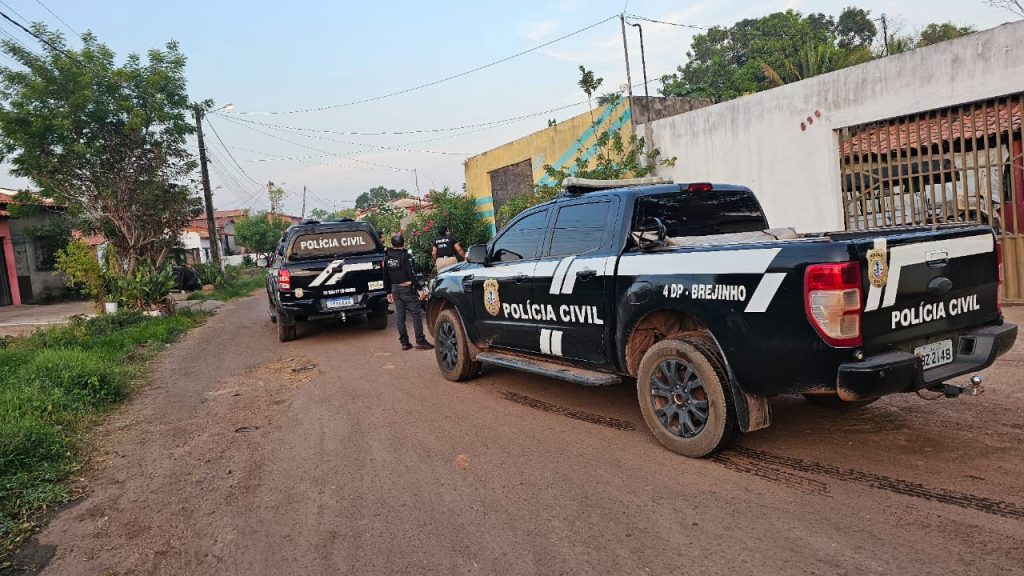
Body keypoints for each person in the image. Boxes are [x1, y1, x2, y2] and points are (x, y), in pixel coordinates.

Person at [384, 234, 433, 351]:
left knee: (400, 317)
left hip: (395, 288)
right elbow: (412, 273)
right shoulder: (405, 255)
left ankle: (404, 343)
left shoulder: (387, 257)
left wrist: (388, 292)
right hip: (407, 288)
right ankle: (420, 341)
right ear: (403, 243)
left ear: (392, 244)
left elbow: (385, 275)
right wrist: (420, 289)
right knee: (416, 314)